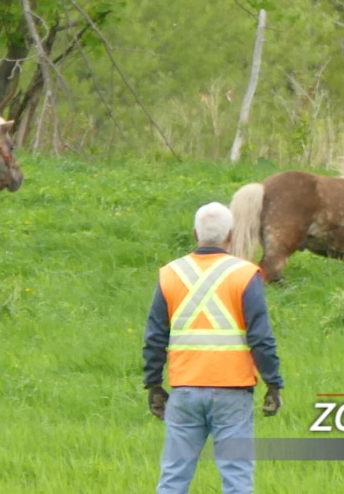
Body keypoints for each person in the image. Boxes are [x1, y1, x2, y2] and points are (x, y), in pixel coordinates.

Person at [142, 201, 284, 494]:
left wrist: (153, 384)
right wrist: (273, 383)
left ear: (195, 234)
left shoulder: (170, 274)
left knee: (173, 479)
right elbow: (260, 337)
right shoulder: (244, 275)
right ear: (230, 236)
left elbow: (155, 337)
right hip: (233, 392)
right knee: (237, 481)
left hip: (184, 390)